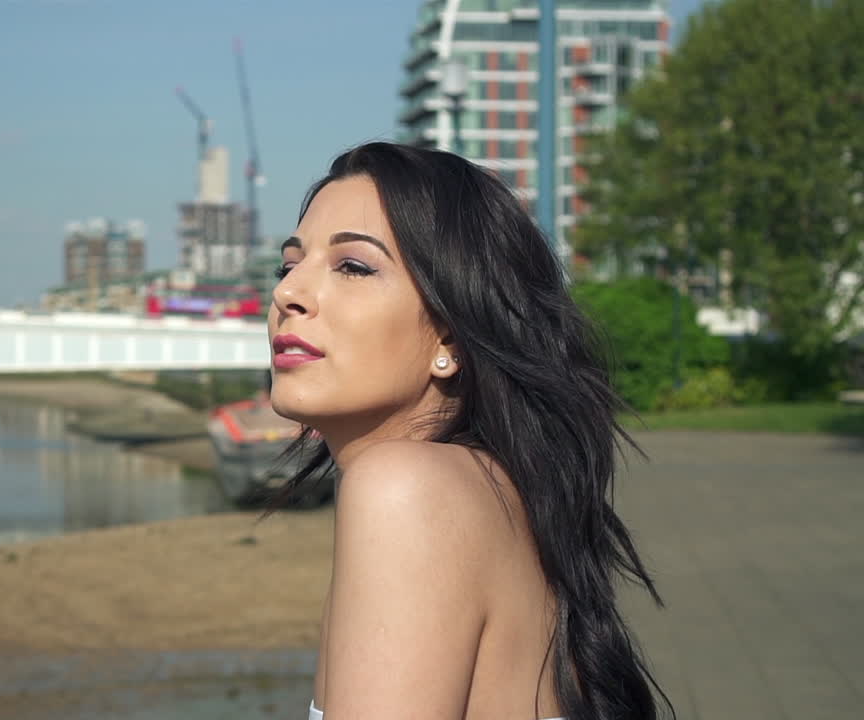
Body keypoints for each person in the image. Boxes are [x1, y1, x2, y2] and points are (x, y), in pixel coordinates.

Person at [266, 142, 670, 720]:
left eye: (353, 266)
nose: (286, 293)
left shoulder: (405, 490)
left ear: (450, 336)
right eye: (288, 265)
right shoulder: (486, 490)